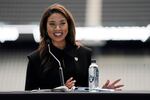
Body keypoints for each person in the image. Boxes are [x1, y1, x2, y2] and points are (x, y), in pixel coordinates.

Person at [25, 3, 124, 91]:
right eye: (52, 24)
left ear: (69, 25)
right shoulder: (35, 59)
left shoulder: (84, 53)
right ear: (45, 28)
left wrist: (102, 91)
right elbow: (28, 95)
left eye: (62, 23)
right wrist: (59, 91)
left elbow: (89, 91)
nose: (58, 28)